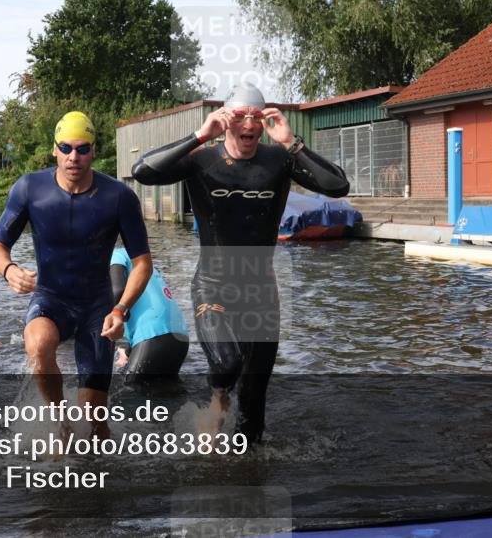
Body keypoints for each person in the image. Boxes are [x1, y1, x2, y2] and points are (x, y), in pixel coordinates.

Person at [132, 82, 350, 443]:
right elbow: (143, 172)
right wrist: (199, 136)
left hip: (261, 290)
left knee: (254, 399)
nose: (248, 125)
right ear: (226, 119)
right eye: (239, 116)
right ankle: (217, 402)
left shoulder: (278, 159)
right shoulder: (202, 158)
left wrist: (291, 142)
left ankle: (250, 475)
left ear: (263, 122)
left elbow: (338, 186)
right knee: (227, 364)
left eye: (255, 117)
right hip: (214, 284)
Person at [0, 110, 152, 439]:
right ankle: (58, 422)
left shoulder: (118, 197)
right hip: (52, 299)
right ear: (54, 149)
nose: (73, 157)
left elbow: (143, 263)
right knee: (37, 345)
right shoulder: (30, 188)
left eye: (82, 148)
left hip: (98, 309)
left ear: (93, 150)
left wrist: (121, 310)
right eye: (65, 148)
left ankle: (100, 480)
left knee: (95, 424)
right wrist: (9, 270)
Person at [109, 248, 189, 382]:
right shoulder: (141, 260)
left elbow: (117, 291)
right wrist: (129, 351)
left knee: (130, 391)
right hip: (179, 337)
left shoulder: (116, 255)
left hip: (152, 336)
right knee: (166, 391)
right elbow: (147, 308)